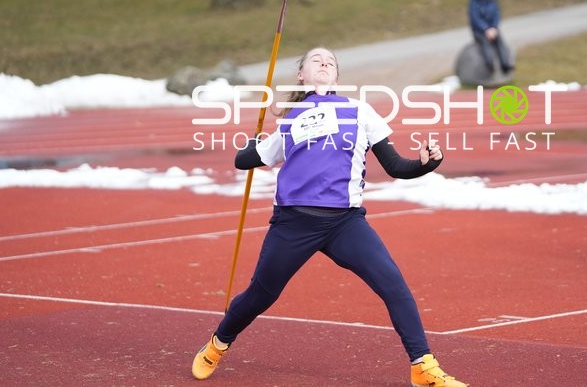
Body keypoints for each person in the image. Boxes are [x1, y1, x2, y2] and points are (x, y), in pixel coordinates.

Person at [192, 47, 467, 387]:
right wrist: (252, 144)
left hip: (344, 223)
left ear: (336, 77)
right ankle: (218, 343)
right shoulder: (290, 119)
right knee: (261, 295)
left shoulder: (360, 111)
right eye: (316, 60)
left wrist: (427, 163)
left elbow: (396, 166)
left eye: (330, 62)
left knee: (394, 286)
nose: (324, 63)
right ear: (301, 75)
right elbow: (244, 161)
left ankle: (422, 367)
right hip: (293, 223)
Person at [468, 0, 514, 76]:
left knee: (500, 43)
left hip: (492, 29)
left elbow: (496, 16)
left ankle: (505, 65)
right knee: (486, 44)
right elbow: (475, 18)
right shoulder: (473, 2)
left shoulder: (493, 1)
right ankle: (490, 66)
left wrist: (494, 28)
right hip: (480, 31)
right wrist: (486, 29)